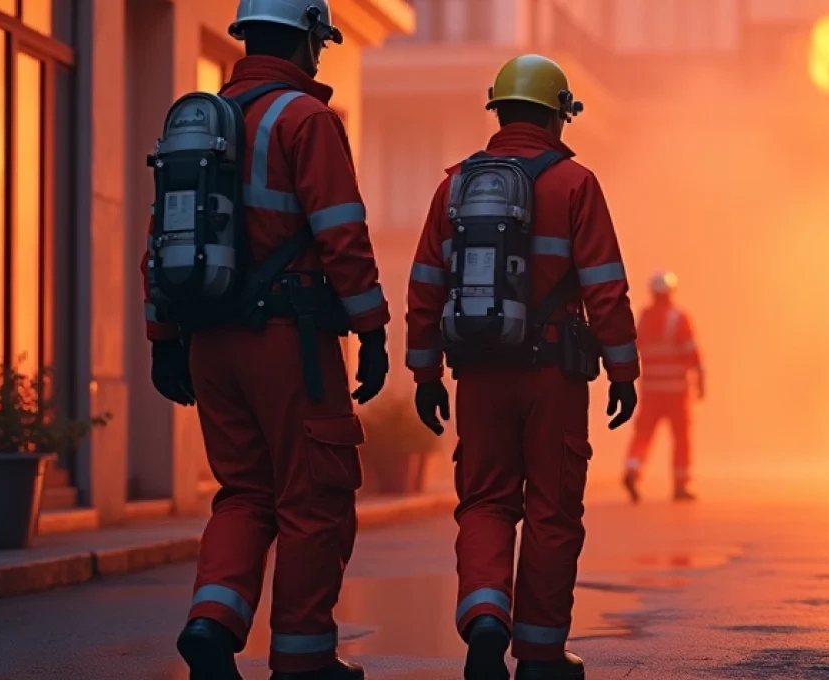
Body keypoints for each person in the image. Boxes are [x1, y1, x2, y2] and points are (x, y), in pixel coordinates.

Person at [144, 2, 389, 678]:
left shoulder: (197, 121)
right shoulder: (306, 120)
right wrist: (371, 331)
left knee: (244, 493)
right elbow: (342, 233)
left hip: (208, 339)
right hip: (290, 341)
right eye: (320, 42)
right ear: (308, 37)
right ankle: (303, 658)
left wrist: (163, 337)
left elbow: (160, 238)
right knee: (313, 496)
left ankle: (212, 622)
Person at [405, 54, 640, 680]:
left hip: (477, 372)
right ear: (560, 116)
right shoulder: (575, 184)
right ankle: (539, 653)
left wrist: (425, 374)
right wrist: (622, 368)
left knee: (484, 502)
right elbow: (606, 288)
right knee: (552, 511)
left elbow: (426, 285)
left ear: (499, 110)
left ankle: (485, 619)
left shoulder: (452, 185)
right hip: (553, 377)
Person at [622, 271, 705, 503]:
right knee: (681, 438)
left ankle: (632, 470)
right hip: (676, 391)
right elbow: (692, 351)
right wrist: (701, 379)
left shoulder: (645, 318)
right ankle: (681, 485)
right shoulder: (679, 318)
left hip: (651, 389)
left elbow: (634, 350)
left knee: (644, 434)